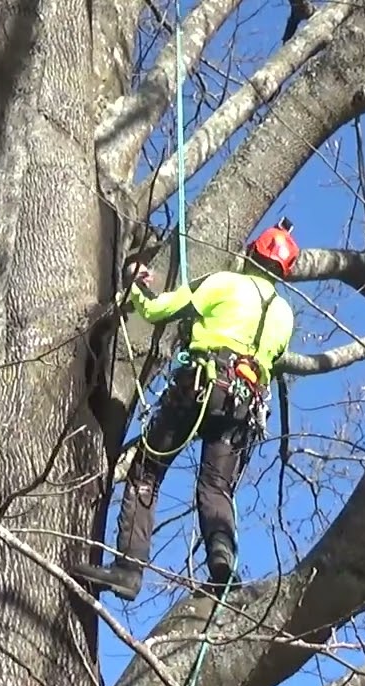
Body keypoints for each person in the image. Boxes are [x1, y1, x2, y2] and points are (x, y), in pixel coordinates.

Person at [69, 220, 300, 601]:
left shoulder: (226, 282)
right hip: (244, 405)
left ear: (250, 254)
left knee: (147, 469)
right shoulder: (285, 316)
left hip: (201, 385)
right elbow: (271, 363)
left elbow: (160, 311)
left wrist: (137, 287)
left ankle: (129, 569)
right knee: (216, 486)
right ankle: (223, 570)